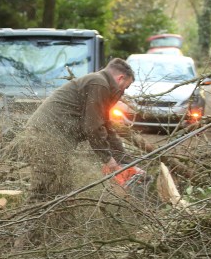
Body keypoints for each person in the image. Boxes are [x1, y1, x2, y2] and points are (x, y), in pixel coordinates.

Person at [22, 58, 139, 199]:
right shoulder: (99, 83)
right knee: (45, 186)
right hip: (45, 135)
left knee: (62, 186)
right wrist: (108, 160)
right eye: (125, 87)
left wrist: (127, 162)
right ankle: (30, 219)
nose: (123, 92)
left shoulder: (100, 85)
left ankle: (53, 219)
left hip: (53, 137)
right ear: (120, 78)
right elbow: (92, 127)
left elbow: (107, 129)